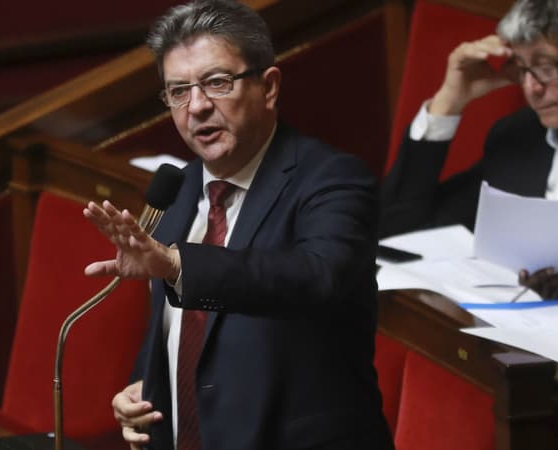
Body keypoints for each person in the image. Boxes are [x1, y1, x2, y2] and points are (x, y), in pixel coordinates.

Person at [82, 1, 393, 449]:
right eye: (178, 91)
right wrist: (145, 387)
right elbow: (179, 333)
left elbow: (317, 277)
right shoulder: (181, 187)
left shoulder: (333, 179)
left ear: (268, 87)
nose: (197, 107)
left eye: (216, 83)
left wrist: (175, 265)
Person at [381, 0, 558, 323]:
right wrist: (449, 102)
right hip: (513, 339)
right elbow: (399, 229)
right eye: (522, 69)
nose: (532, 87)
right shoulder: (516, 137)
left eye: (546, 67)